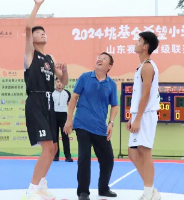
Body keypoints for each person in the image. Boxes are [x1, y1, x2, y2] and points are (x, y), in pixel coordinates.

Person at [23, 0, 69, 200]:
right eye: (38, 32)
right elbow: (27, 28)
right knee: (47, 147)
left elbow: (64, 81)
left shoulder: (50, 58)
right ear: (32, 38)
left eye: (43, 31)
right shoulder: (30, 54)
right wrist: (37, 6)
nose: (42, 33)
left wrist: (64, 71)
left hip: (49, 102)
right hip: (36, 101)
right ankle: (31, 189)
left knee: (54, 147)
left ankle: (41, 185)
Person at [64, 52, 119, 200]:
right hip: (82, 124)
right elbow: (74, 97)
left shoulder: (111, 84)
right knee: (84, 158)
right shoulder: (85, 77)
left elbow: (115, 105)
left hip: (100, 127)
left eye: (104, 59)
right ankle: (83, 192)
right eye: (99, 57)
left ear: (109, 66)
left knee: (108, 158)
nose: (100, 59)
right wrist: (69, 120)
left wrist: (111, 123)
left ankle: (103, 188)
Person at [127, 31, 161, 200]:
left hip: (146, 115)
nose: (136, 43)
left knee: (144, 152)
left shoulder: (148, 66)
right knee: (132, 153)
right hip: (139, 114)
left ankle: (148, 192)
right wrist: (132, 117)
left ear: (146, 46)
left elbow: (146, 94)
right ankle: (151, 189)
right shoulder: (141, 66)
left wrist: (138, 118)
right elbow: (138, 95)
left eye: (139, 41)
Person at [52, 79, 72, 162]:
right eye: (57, 82)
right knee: (55, 137)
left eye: (61, 82)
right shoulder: (51, 93)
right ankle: (55, 156)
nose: (59, 84)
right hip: (54, 115)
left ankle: (68, 156)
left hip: (64, 115)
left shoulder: (67, 93)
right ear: (55, 83)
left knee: (65, 136)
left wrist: (70, 118)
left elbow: (70, 106)